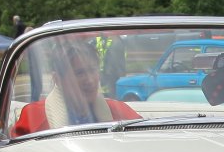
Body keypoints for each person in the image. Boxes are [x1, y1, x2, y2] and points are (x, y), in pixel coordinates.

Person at [12, 39, 140, 136]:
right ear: (58, 79)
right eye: (80, 73)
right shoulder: (33, 118)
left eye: (92, 70)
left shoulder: (120, 112)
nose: (90, 80)